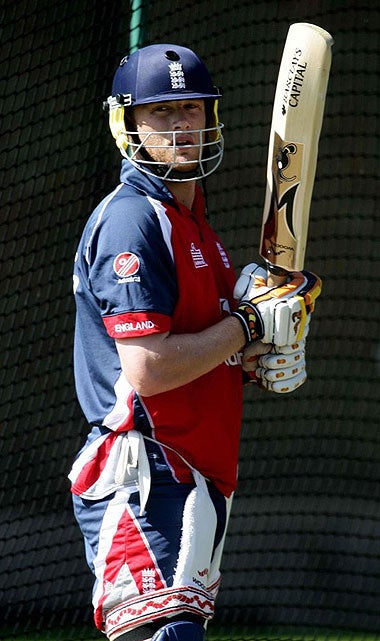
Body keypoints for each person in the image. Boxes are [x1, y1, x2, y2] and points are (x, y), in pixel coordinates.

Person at [69, 44, 321, 641]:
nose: (182, 125)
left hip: (196, 477)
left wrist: (256, 357)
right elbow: (149, 367)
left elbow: (202, 350)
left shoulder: (195, 225)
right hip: (146, 472)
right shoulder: (133, 218)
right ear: (126, 122)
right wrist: (250, 326)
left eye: (193, 109)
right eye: (162, 112)